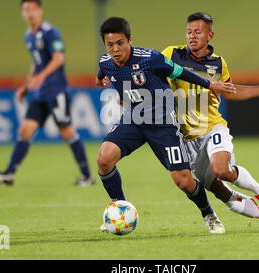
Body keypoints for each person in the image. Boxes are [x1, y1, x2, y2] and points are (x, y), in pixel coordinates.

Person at [96, 17, 235, 233]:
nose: (115, 49)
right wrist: (101, 78)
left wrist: (210, 84)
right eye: (110, 44)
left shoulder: (150, 58)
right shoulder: (105, 62)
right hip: (134, 119)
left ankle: (208, 214)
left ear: (130, 40)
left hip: (163, 123)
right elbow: (103, 72)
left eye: (120, 43)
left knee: (184, 181)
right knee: (104, 159)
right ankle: (120, 210)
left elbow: (180, 72)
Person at [162, 12, 259, 232]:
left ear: (209, 35)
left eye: (198, 32)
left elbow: (231, 92)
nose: (192, 36)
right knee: (220, 191)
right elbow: (148, 67)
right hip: (186, 139)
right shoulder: (172, 54)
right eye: (189, 32)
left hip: (213, 128)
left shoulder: (218, 64)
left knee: (222, 169)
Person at [0, 0, 94, 186]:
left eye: (33, 9)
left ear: (40, 11)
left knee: (66, 131)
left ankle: (87, 176)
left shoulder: (50, 32)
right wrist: (26, 86)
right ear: (21, 13)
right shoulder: (28, 36)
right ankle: (9, 174)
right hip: (41, 93)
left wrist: (40, 77)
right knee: (25, 129)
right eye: (26, 10)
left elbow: (59, 58)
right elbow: (36, 64)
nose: (30, 13)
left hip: (57, 90)